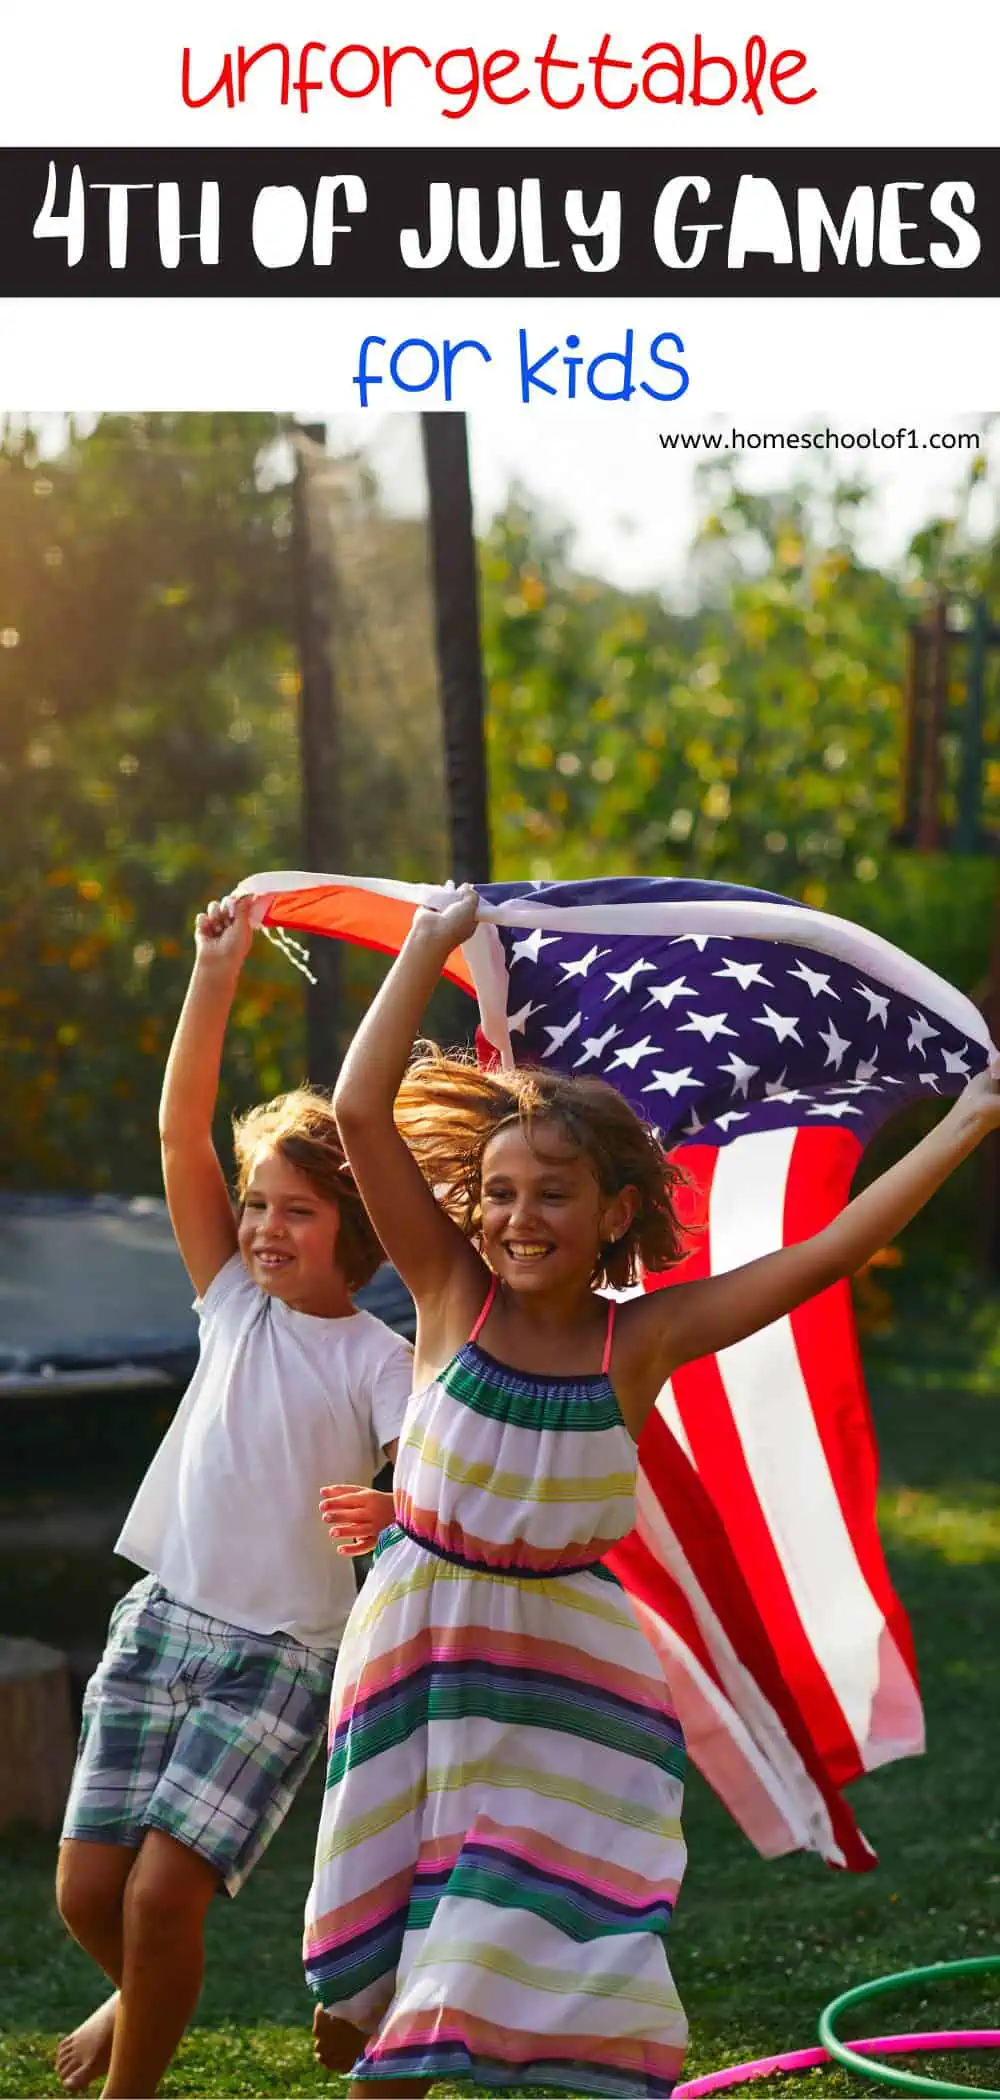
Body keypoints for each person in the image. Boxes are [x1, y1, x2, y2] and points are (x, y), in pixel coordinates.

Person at [305, 883, 1000, 2099]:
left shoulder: (640, 1342)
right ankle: (374, 2012)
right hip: (420, 1656)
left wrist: (961, 1127)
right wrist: (422, 949)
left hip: (566, 1692)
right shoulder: (448, 1297)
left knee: (484, 1956)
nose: (522, 1218)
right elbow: (360, 1107)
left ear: (615, 1211)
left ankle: (406, 2036)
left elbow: (822, 1254)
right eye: (503, 1194)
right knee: (388, 1981)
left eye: (554, 1195)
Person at [55, 894, 413, 2100]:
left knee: (164, 1895)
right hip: (159, 1623)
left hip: (278, 1655)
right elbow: (180, 1139)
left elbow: (427, 1471)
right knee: (86, 1895)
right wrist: (213, 974)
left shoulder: (374, 1356)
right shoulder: (231, 1305)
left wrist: (394, 1511)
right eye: (258, 1205)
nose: (262, 1228)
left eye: (295, 1212)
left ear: (352, 1232)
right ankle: (144, 1989)